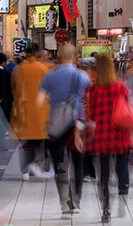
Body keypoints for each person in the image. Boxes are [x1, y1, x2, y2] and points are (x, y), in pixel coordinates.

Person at [40, 43, 91, 215]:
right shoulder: (83, 76)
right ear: (74, 56)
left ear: (59, 56)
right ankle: (76, 201)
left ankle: (64, 201)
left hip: (56, 125)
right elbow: (87, 102)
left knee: (60, 165)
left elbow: (39, 101)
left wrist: (53, 103)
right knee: (78, 164)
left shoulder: (50, 76)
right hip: (78, 125)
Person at [84, 53, 133, 222]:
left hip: (103, 136)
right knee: (122, 167)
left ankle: (106, 208)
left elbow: (89, 115)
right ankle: (123, 191)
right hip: (120, 134)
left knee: (104, 174)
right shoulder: (121, 87)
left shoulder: (92, 89)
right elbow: (128, 110)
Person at [12, 45, 52, 179]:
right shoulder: (42, 69)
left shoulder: (18, 69)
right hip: (41, 110)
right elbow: (48, 90)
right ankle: (40, 167)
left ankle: (25, 171)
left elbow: (14, 89)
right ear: (37, 54)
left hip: (23, 110)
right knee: (41, 141)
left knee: (26, 141)